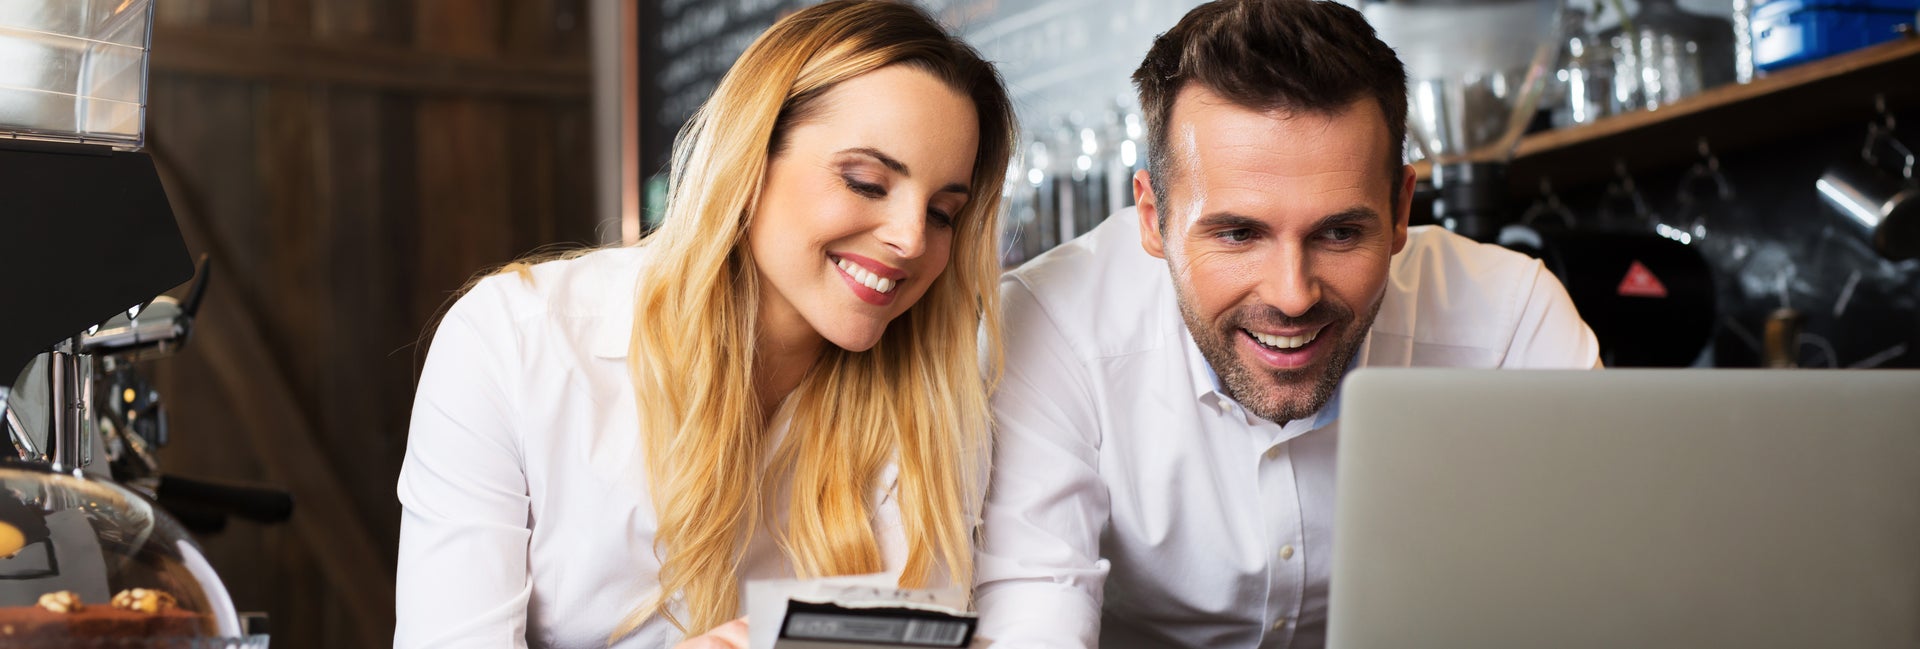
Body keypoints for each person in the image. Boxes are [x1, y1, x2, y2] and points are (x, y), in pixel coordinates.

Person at [972, 0, 1601, 647]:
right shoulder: (1051, 329)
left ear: (1400, 209)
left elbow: (1602, 588)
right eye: (1239, 233)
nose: (1293, 295)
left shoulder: (1509, 315)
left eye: (1338, 232)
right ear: (1152, 219)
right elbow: (1032, 619)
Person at [394, 2, 1015, 647]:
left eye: (943, 213)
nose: (912, 239)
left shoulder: (938, 398)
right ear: (750, 161)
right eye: (866, 182)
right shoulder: (516, 341)